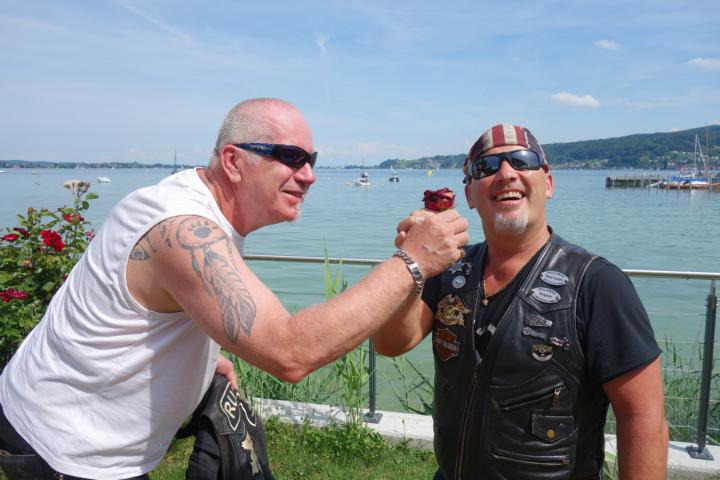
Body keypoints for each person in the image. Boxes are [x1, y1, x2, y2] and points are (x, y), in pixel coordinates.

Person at [0, 98, 469, 479]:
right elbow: (290, 353)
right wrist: (414, 262)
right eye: (291, 157)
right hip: (62, 448)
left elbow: (157, 301)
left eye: (311, 160)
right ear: (233, 161)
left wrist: (203, 357)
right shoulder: (182, 228)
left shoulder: (200, 208)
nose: (309, 175)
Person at [374, 124, 669, 479]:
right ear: (469, 194)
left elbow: (642, 416)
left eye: (522, 161)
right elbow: (390, 343)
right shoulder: (450, 270)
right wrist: (414, 264)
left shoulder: (596, 283)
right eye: (486, 167)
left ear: (548, 183)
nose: (505, 173)